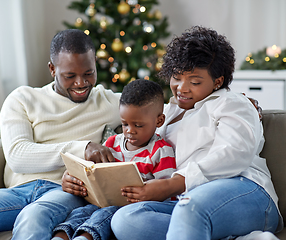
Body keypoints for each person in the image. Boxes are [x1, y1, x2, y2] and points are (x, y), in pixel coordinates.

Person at [0, 29, 122, 240]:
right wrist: (83, 148)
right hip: (18, 191)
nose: (81, 83)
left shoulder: (107, 102)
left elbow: (158, 110)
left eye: (89, 73)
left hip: (64, 191)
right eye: (70, 76)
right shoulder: (22, 99)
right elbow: (17, 156)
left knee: (33, 216)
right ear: (52, 69)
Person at [108, 26, 283, 240]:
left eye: (195, 81)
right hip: (187, 203)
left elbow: (235, 154)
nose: (182, 88)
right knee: (125, 219)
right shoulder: (164, 114)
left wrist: (172, 184)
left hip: (246, 191)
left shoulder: (232, 103)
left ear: (218, 81)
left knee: (191, 208)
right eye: (176, 77)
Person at [52, 79, 176, 240]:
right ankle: (61, 236)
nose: (130, 131)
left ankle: (85, 237)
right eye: (125, 124)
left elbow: (166, 193)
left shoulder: (160, 150)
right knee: (80, 212)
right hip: (101, 202)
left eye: (138, 125)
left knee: (105, 214)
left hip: (130, 207)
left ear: (159, 121)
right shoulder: (112, 143)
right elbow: (94, 171)